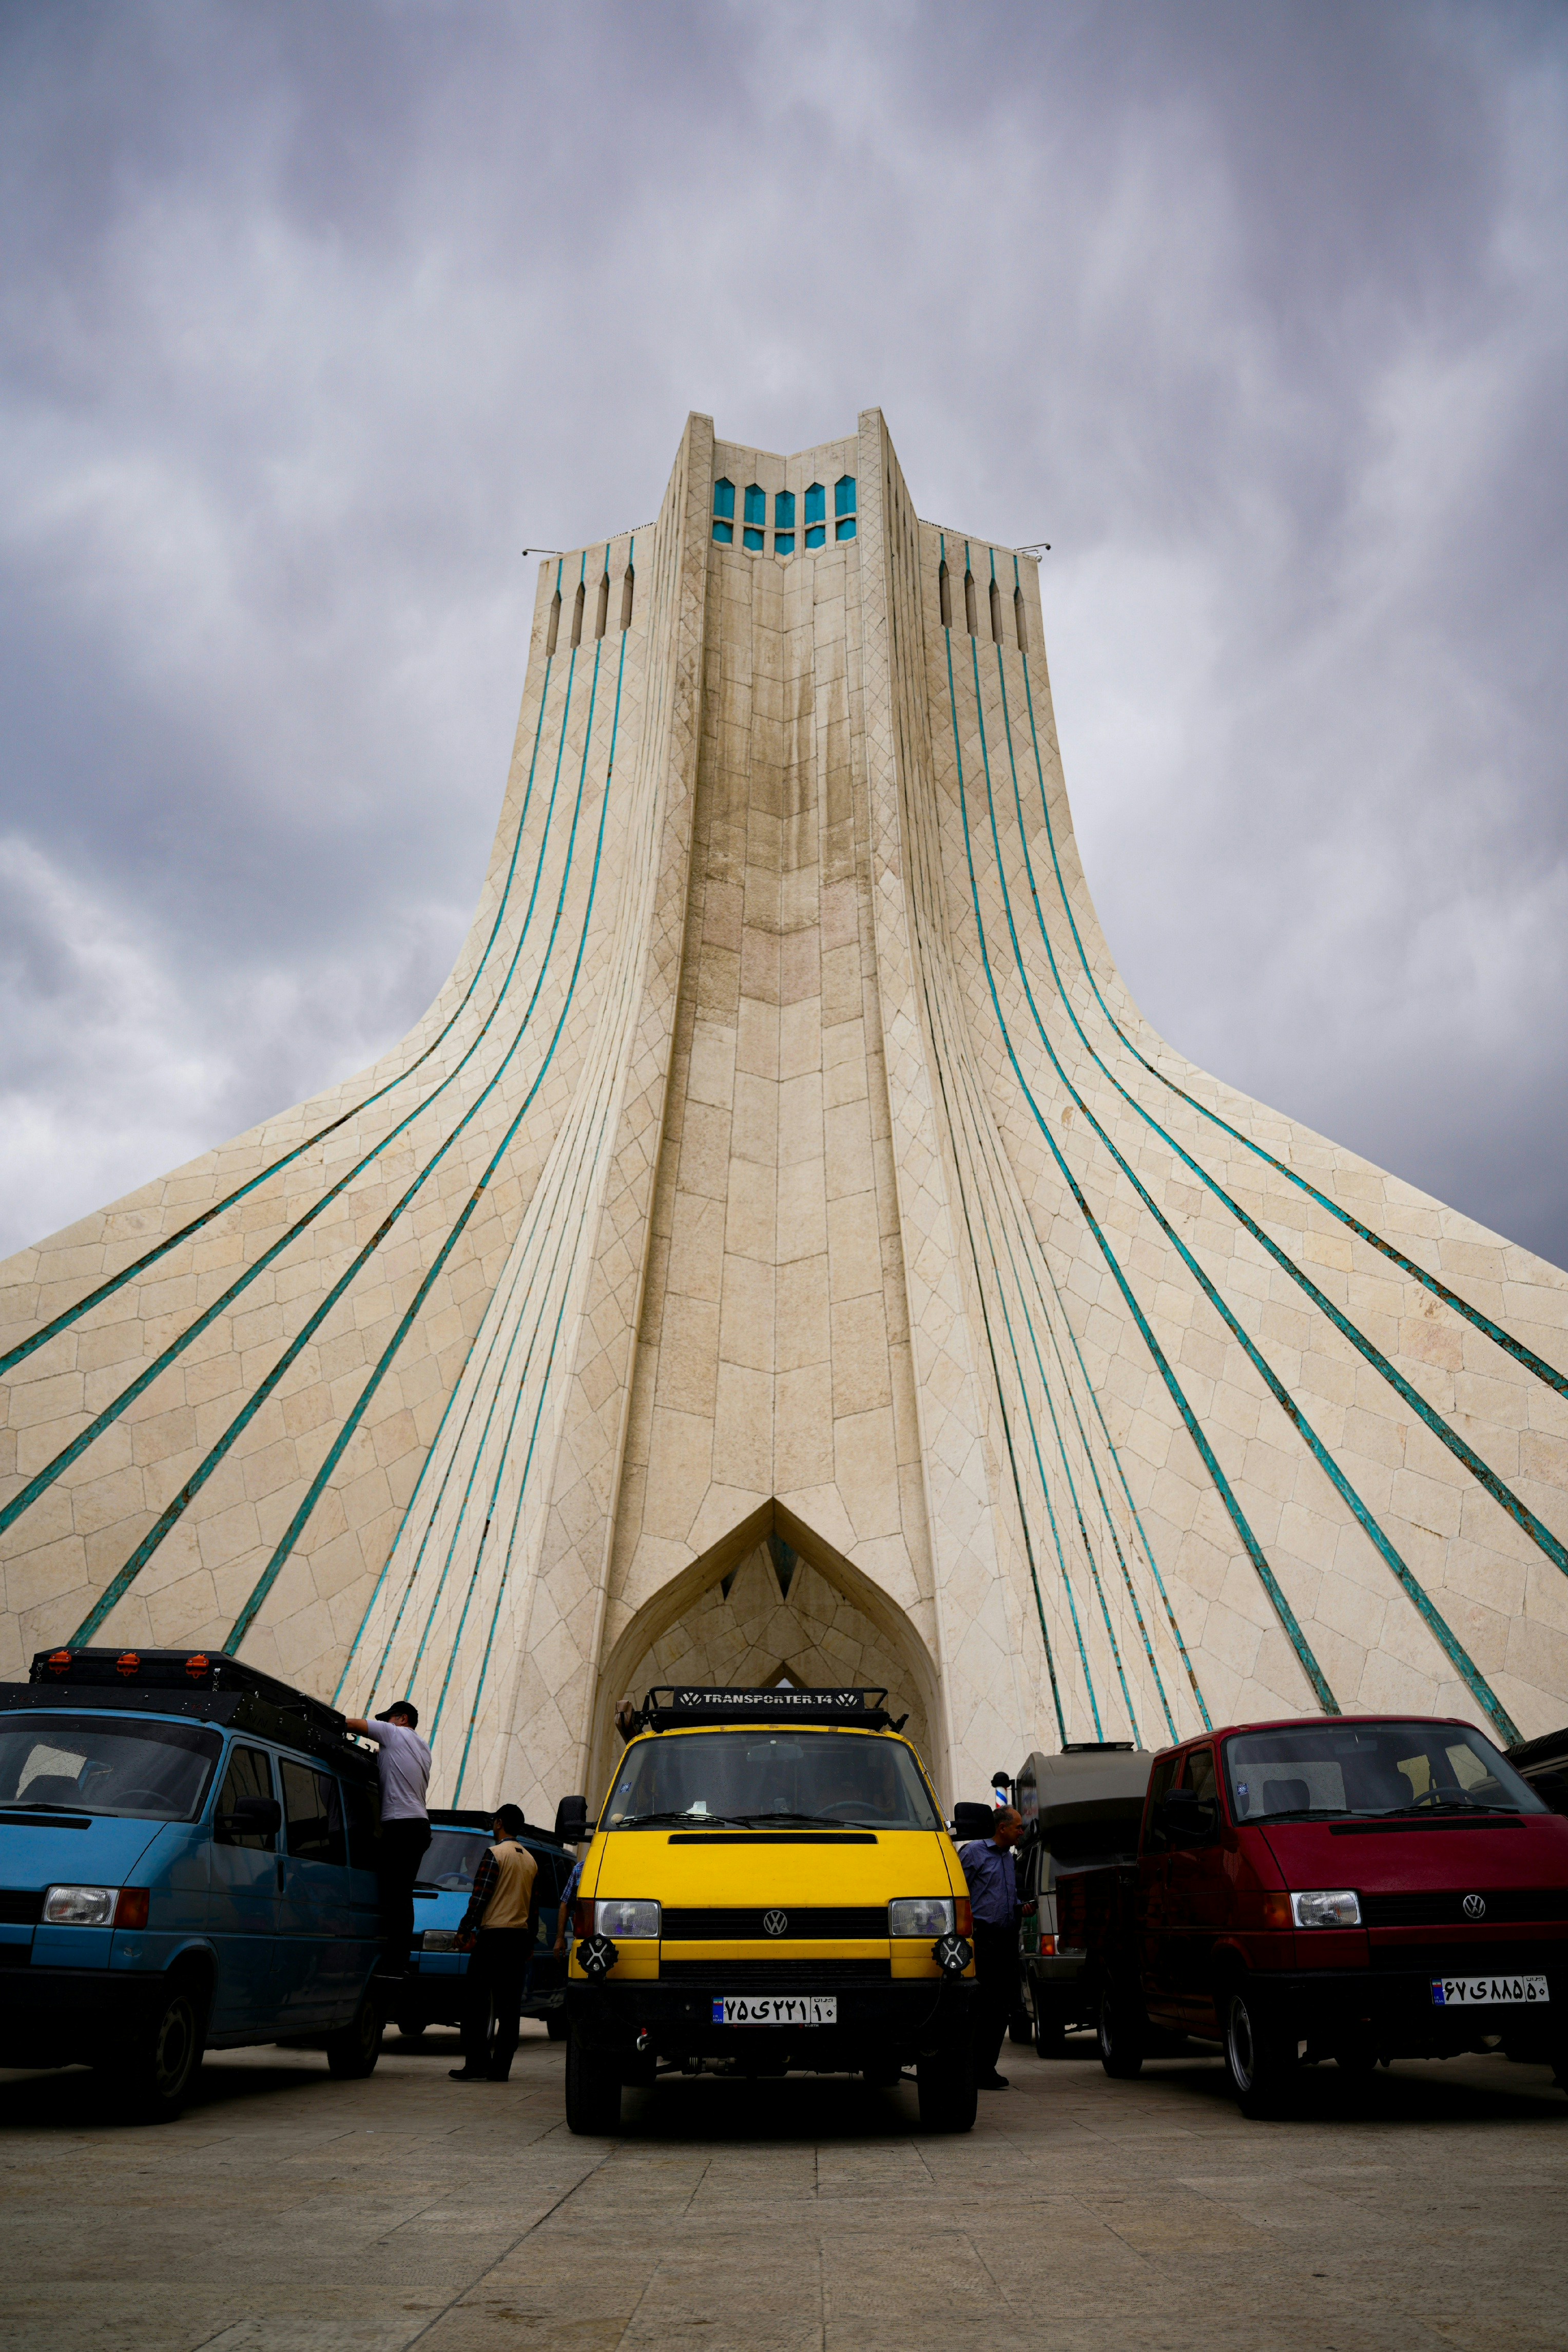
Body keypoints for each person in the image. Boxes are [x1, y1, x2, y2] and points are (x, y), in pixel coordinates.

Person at [450, 1804, 539, 2083]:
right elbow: (533, 1907)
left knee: (476, 2003)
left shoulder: (495, 1855)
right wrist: (530, 1942)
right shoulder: (531, 1861)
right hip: (518, 1939)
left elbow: (480, 1896)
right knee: (510, 2008)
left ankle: (477, 2063)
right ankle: (501, 2069)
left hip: (493, 1938)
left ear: (499, 1823)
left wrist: (465, 1928)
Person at [344, 1699, 431, 1979]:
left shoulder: (395, 1733)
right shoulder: (423, 1747)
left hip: (402, 1826)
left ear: (402, 1719)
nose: (385, 1724)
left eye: (389, 1718)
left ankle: (395, 1963)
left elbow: (351, 1724)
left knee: (396, 1896)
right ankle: (397, 1960)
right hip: (418, 1825)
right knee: (401, 1894)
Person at [958, 1803, 1023, 2089]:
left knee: (1003, 2006)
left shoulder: (1009, 1858)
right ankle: (971, 2070)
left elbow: (1004, 1896)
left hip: (1006, 1941)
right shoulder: (974, 1852)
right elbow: (959, 1891)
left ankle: (987, 2068)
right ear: (1002, 1828)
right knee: (982, 2005)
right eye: (1018, 1827)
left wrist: (1021, 1906)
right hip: (982, 1940)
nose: (1022, 1832)